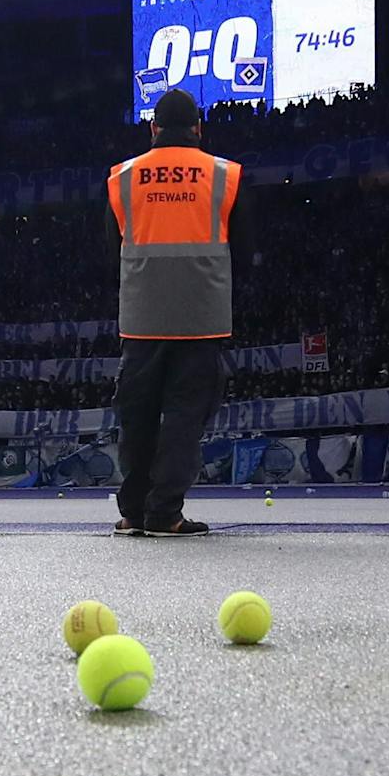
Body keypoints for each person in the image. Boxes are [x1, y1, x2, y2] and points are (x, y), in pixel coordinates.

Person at [106, 88, 246, 537]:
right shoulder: (224, 174)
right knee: (185, 417)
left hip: (142, 314)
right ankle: (165, 512)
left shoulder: (123, 177)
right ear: (199, 129)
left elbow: (110, 243)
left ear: (153, 129)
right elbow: (244, 241)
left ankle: (132, 512)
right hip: (201, 316)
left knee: (138, 415)